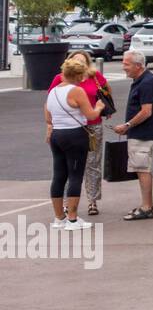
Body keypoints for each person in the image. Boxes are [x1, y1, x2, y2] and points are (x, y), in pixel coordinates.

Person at [44, 57, 107, 230]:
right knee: (75, 175)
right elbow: (91, 115)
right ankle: (72, 218)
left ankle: (59, 218)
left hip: (57, 134)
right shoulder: (77, 91)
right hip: (75, 134)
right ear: (79, 75)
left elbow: (48, 116)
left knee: (59, 175)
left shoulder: (54, 91)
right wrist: (100, 107)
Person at [115, 51, 153, 221]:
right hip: (141, 132)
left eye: (126, 64)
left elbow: (146, 111)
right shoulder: (142, 80)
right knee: (142, 169)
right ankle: (147, 205)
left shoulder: (146, 83)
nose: (123, 67)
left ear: (138, 65)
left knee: (142, 169)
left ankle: (147, 207)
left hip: (143, 134)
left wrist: (127, 125)